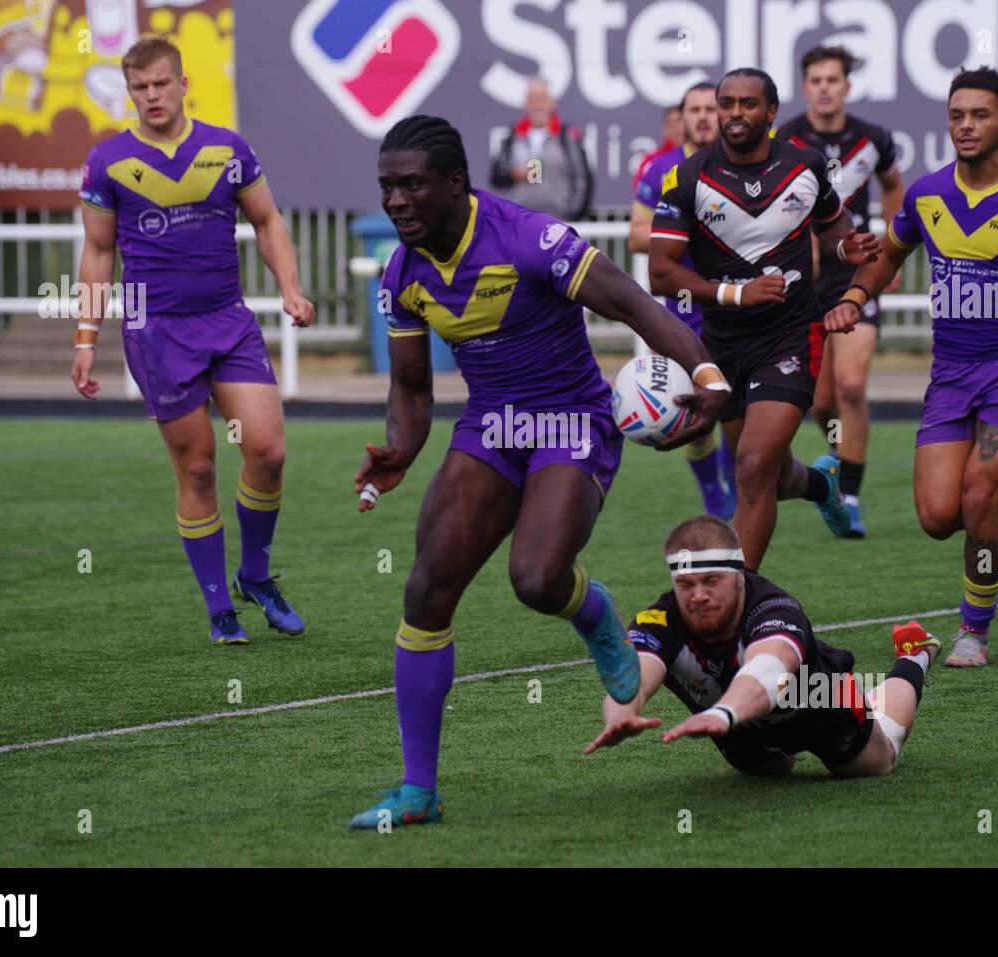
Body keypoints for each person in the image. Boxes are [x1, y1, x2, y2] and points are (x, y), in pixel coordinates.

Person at [349, 115, 730, 829]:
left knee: (535, 578)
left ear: (456, 184)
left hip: (570, 423)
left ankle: (596, 614)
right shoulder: (401, 274)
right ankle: (418, 790)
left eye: (411, 185)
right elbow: (411, 389)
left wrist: (705, 373)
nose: (396, 200)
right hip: (492, 426)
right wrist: (400, 446)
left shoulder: (528, 237)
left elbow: (630, 300)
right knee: (426, 589)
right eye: (386, 186)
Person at [822, 68, 998, 667]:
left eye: (979, 115)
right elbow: (888, 258)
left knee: (975, 499)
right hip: (950, 375)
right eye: (957, 115)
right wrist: (852, 297)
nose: (966, 126)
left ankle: (973, 631)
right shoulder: (927, 196)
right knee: (936, 516)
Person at [72, 38, 316, 645]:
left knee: (268, 452)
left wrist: (290, 288)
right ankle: (218, 609)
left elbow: (267, 220)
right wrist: (84, 338)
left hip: (228, 323)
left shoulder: (228, 149)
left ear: (183, 83)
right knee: (200, 466)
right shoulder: (107, 162)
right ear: (129, 92)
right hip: (157, 334)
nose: (152, 97)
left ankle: (254, 575)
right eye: (139, 88)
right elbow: (99, 252)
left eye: (160, 84)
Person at [649, 68, 880, 573]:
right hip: (723, 343)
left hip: (791, 335)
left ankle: (736, 601)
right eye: (725, 103)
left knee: (753, 467)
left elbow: (832, 225)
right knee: (765, 476)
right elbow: (661, 273)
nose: (734, 114)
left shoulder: (806, 165)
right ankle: (823, 486)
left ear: (771, 112)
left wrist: (847, 245)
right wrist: (736, 293)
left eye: (747, 104)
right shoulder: (687, 178)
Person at [584, 516, 941, 779]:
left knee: (877, 764)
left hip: (818, 700)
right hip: (738, 725)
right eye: (686, 584)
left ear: (739, 576)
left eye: (711, 580)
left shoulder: (775, 607)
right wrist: (620, 715)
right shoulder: (659, 619)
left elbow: (768, 672)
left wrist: (722, 713)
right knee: (768, 775)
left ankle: (914, 656)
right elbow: (635, 675)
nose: (698, 595)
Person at [777, 46, 905, 537]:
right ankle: (836, 455)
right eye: (816, 80)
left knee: (852, 385)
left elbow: (894, 187)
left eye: (834, 79)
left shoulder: (873, 139)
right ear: (805, 86)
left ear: (847, 87)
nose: (826, 87)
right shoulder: (785, 139)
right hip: (806, 280)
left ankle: (848, 494)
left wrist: (893, 251)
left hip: (857, 272)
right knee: (822, 400)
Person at [629, 81, 737, 520]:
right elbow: (637, 235)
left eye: (712, 108)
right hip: (684, 308)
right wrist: (678, 232)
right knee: (695, 408)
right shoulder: (659, 168)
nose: (704, 116)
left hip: (736, 305)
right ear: (682, 117)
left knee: (735, 409)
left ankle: (735, 475)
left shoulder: (742, 165)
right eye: (695, 109)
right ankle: (712, 487)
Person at [489, 77, 592, 221]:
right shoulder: (513, 136)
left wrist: (572, 216)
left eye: (542, 98)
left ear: (553, 103)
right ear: (525, 103)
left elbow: (582, 178)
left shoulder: (566, 137)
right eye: (533, 98)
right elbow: (496, 177)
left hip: (559, 222)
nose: (538, 104)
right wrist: (514, 174)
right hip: (520, 223)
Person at [631, 104, 682, 194]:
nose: (676, 127)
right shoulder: (652, 160)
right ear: (664, 128)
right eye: (671, 123)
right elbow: (642, 194)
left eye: (680, 121)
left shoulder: (701, 156)